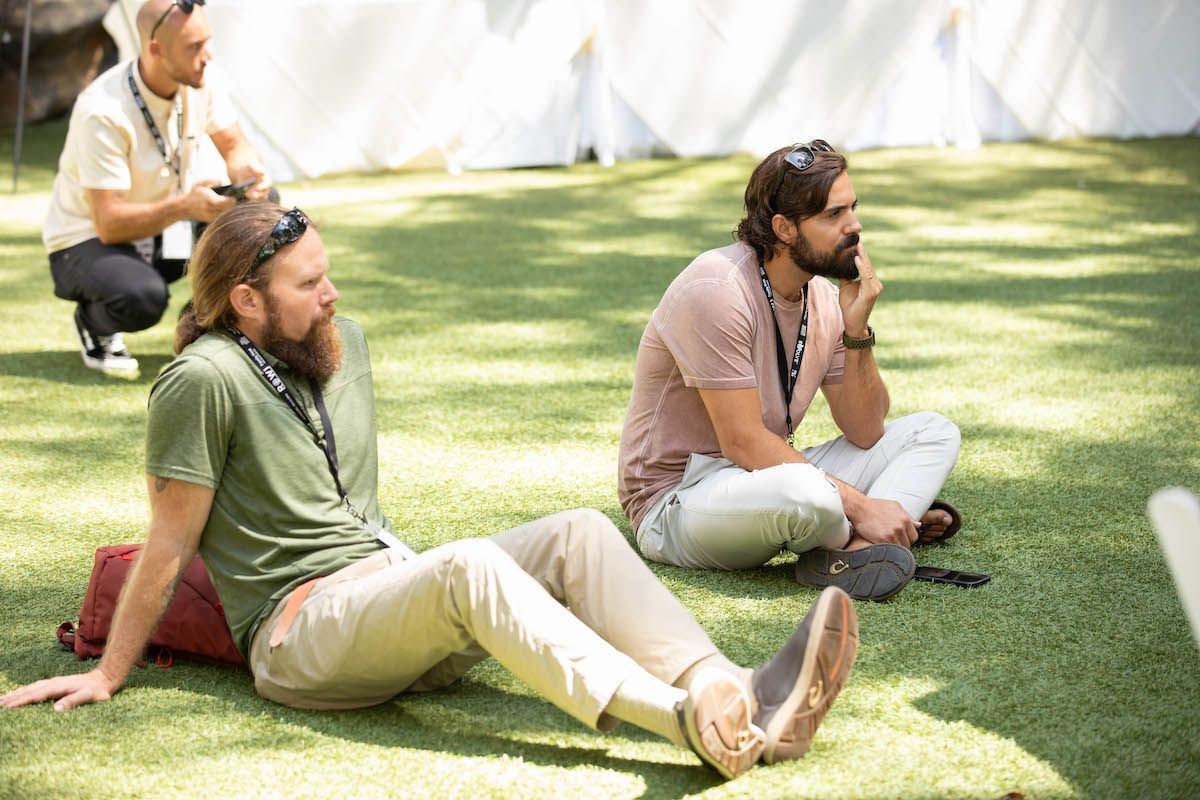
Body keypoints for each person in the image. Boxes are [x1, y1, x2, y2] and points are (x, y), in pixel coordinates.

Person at [2, 202, 861, 779]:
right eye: (307, 286)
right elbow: (170, 540)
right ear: (245, 302)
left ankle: (737, 688)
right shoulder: (201, 381)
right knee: (465, 568)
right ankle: (686, 723)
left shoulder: (343, 345)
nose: (331, 295)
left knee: (578, 534)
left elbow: (356, 498)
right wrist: (110, 673)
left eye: (326, 272)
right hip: (302, 638)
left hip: (390, 595)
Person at [617, 140, 963, 601]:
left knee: (933, 432)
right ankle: (880, 522)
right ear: (784, 228)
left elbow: (866, 429)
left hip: (764, 476)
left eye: (852, 209)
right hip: (679, 499)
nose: (855, 226)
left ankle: (855, 551)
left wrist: (856, 330)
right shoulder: (716, 288)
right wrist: (860, 503)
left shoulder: (822, 298)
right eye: (833, 215)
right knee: (810, 495)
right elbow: (741, 441)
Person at [43, 0, 275, 375]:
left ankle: (217, 329)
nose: (208, 56)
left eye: (207, 42)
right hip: (86, 241)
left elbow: (234, 145)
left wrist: (248, 170)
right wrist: (186, 206)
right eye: (194, 47)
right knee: (142, 298)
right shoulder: (102, 110)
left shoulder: (201, 77)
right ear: (155, 50)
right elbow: (109, 223)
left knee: (258, 210)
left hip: (162, 227)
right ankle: (94, 322)